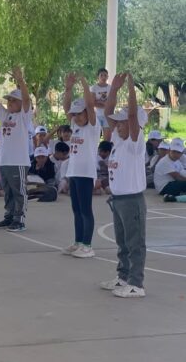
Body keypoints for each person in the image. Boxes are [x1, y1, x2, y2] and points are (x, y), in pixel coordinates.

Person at [100, 72, 147, 298]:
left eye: (123, 122)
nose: (118, 125)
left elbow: (131, 114)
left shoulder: (135, 143)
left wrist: (130, 88)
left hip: (131, 200)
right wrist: (113, 90)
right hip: (118, 200)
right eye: (117, 124)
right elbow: (108, 113)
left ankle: (136, 284)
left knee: (135, 243)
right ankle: (123, 277)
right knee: (122, 243)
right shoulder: (118, 140)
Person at [60, 73, 101, 258]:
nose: (76, 117)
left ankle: (87, 245)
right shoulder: (76, 126)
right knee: (76, 209)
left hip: (86, 173)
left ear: (87, 113)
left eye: (79, 113)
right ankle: (77, 242)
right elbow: (66, 106)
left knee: (85, 209)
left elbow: (91, 106)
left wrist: (84, 84)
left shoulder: (92, 127)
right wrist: (68, 88)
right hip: (74, 172)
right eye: (74, 115)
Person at [0, 68, 31, 232]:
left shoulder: (23, 116)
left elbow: (27, 99)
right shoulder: (5, 116)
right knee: (8, 191)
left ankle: (19, 219)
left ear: (20, 103)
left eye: (13, 100)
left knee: (19, 191)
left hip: (18, 161)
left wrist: (21, 81)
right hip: (4, 160)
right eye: (9, 100)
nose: (9, 103)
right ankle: (9, 216)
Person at [90, 68, 112, 141]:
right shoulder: (94, 88)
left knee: (107, 139)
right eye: (101, 75)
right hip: (97, 116)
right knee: (95, 138)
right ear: (98, 77)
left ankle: (106, 151)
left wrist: (98, 102)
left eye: (105, 75)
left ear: (107, 77)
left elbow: (112, 102)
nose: (103, 77)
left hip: (108, 116)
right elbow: (92, 103)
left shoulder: (110, 88)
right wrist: (105, 104)